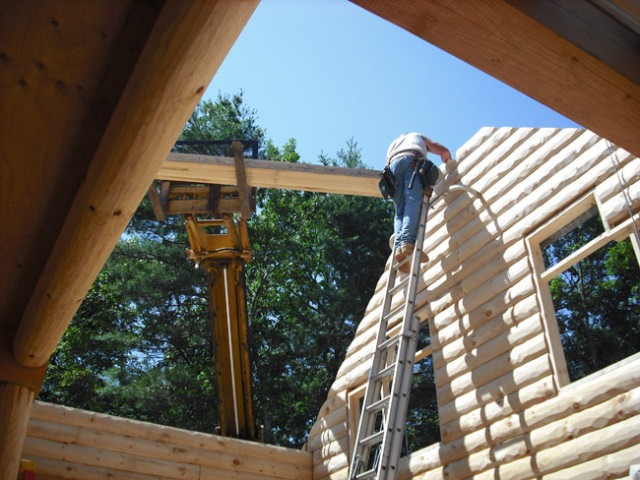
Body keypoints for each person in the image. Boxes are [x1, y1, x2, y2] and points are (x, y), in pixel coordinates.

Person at [386, 132, 451, 272]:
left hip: (392, 169)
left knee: (400, 211)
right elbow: (442, 150)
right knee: (412, 202)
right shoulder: (417, 136)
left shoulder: (394, 143)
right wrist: (448, 160)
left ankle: (399, 249)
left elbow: (388, 162)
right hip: (411, 160)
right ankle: (408, 244)